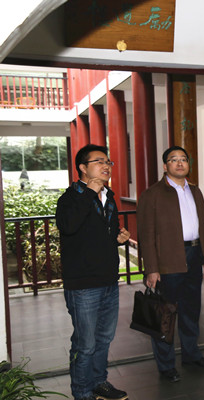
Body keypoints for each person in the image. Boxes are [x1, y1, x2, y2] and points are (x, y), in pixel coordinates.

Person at [56, 144, 130, 400]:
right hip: (83, 285)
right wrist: (90, 191)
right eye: (99, 161)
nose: (106, 166)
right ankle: (81, 391)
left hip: (108, 280)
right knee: (84, 344)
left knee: (104, 339)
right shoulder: (70, 198)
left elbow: (101, 233)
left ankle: (99, 382)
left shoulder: (108, 197)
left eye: (108, 162)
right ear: (83, 168)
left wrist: (118, 238)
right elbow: (69, 226)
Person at [137, 146, 204, 383]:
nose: (180, 163)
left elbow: (203, 225)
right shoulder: (152, 194)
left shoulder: (195, 190)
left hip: (194, 255)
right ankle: (166, 365)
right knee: (166, 315)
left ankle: (191, 355)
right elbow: (146, 235)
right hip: (167, 261)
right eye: (174, 160)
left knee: (191, 311)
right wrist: (152, 268)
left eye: (183, 159)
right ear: (165, 166)